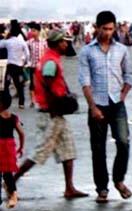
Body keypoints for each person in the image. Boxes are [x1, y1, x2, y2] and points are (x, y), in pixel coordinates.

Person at [13, 30, 88, 201]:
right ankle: (11, 181)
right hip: (50, 114)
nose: (66, 44)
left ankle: (69, 188)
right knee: (40, 152)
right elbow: (47, 82)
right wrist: (55, 103)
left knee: (68, 148)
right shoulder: (50, 62)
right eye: (63, 42)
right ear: (57, 43)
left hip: (54, 113)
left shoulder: (51, 59)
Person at [79, 11, 132, 203]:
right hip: (97, 103)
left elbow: (129, 75)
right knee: (98, 148)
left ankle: (119, 179)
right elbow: (85, 81)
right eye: (104, 29)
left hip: (117, 103)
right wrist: (92, 106)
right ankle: (102, 188)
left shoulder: (121, 50)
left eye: (111, 29)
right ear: (97, 27)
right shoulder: (87, 51)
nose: (108, 33)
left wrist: (123, 95)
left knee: (123, 142)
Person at [0, 92, 24, 208]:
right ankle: (13, 194)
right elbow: (21, 133)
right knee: (8, 173)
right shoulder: (13, 117)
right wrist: (21, 147)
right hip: (10, 147)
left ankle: (11, 195)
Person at [0, 23, 30, 109]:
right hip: (19, 66)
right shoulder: (22, 42)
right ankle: (21, 103)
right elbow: (27, 54)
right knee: (19, 85)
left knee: (6, 84)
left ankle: (5, 101)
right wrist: (26, 62)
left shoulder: (8, 42)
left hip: (10, 67)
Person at [26, 23, 47, 109]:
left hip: (42, 67)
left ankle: (43, 101)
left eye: (34, 31)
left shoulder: (44, 42)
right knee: (32, 84)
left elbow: (47, 53)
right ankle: (32, 101)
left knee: (42, 84)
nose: (32, 32)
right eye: (31, 30)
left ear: (38, 31)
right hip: (33, 65)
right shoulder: (30, 42)